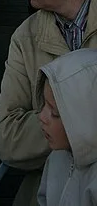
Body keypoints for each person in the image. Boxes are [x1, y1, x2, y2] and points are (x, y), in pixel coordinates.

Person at [0, 0, 96, 204]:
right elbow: (6, 136)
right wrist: (76, 126)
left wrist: (62, 125)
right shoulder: (25, 38)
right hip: (45, 190)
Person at [38, 49, 97, 205]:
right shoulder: (56, 158)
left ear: (87, 119)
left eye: (55, 113)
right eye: (44, 104)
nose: (42, 117)